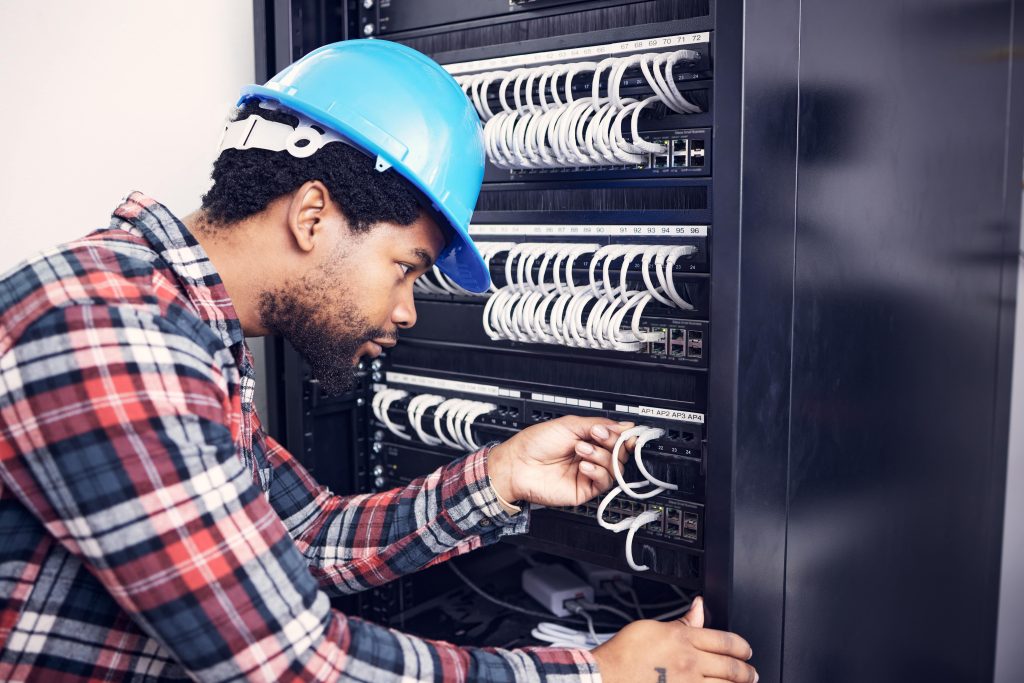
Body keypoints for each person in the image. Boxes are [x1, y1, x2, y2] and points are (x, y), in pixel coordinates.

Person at [0, 39, 756, 682]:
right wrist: (595, 673)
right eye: (405, 267)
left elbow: (300, 538)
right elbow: (291, 665)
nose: (407, 311)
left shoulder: (183, 327)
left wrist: (498, 476)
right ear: (312, 215)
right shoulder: (107, 327)